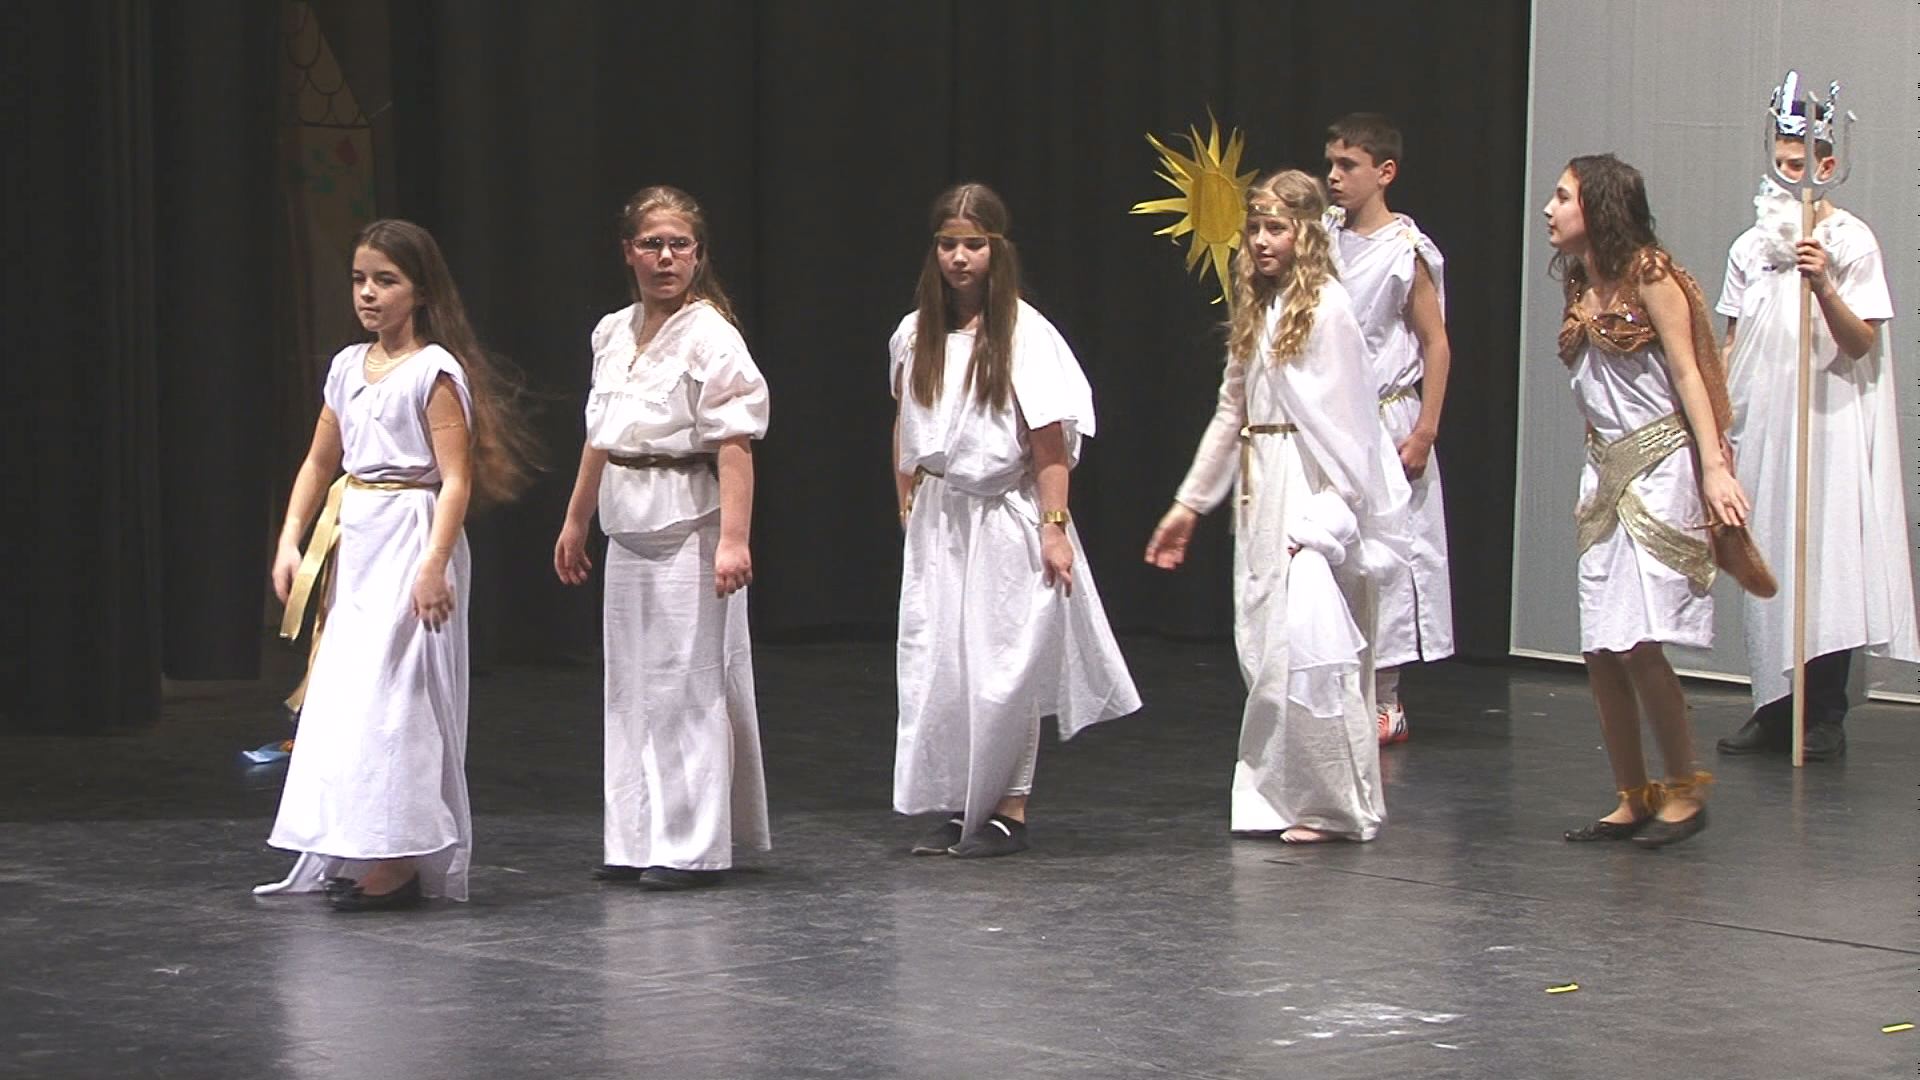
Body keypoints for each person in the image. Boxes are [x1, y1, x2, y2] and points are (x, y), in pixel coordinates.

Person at [259, 219, 535, 910]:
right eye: (360, 279)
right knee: (350, 699)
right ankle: (358, 843)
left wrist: (433, 565)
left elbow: (456, 479)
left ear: (419, 290)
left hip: (412, 536)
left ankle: (401, 858)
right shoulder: (347, 367)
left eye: (386, 280)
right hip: (358, 540)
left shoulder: (433, 372)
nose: (368, 293)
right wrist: (291, 539)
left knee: (399, 699)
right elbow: (319, 462)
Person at [1145, 170, 1406, 843]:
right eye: (1255, 228)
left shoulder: (1328, 309)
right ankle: (1276, 795)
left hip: (1308, 488)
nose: (1261, 241)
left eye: (1276, 229)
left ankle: (1332, 804)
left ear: (1306, 234)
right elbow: (1231, 411)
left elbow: (1352, 428)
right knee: (1263, 648)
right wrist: (1188, 505)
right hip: (1260, 486)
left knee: (1310, 653)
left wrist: (1329, 518)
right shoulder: (1260, 307)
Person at [891, 182, 1141, 858]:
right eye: (948, 244)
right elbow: (905, 423)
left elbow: (1048, 441)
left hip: (1005, 514)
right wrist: (907, 499)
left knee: (1003, 664)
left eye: (973, 244)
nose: (960, 258)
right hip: (942, 517)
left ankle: (1011, 806)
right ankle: (965, 801)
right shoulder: (914, 335)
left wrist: (1053, 526)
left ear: (996, 250)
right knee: (943, 662)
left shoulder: (1026, 334)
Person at [554, 186, 771, 891]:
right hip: (627, 524)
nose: (666, 257)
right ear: (629, 252)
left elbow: (735, 444)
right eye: (652, 244)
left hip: (688, 526)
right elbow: (600, 436)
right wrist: (576, 519)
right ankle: (634, 838)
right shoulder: (612, 332)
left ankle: (689, 847)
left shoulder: (711, 336)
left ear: (698, 255)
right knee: (630, 689)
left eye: (679, 245)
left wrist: (733, 540)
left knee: (686, 685)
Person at [1544, 154, 1749, 848]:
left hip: (1659, 470)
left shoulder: (1650, 275)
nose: (1550, 209)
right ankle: (1633, 795)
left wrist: (1714, 468)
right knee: (1600, 647)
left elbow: (1690, 373)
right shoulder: (1581, 279)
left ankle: (1685, 789)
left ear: (1598, 206)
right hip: (1605, 472)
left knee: (1636, 641)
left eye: (1563, 197)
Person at [1714, 96, 1916, 761]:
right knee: (1766, 550)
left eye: (1798, 165)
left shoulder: (1851, 241)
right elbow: (1732, 340)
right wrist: (1717, 418)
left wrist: (1824, 284)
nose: (1786, 176)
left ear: (1826, 167)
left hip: (1828, 420)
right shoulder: (1750, 247)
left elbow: (1860, 342)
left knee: (1825, 558)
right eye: (1779, 163)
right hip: (1763, 420)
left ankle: (1824, 712)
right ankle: (1774, 706)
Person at [1324, 113, 1456, 745]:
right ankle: (1336, 689)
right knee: (1335, 553)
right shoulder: (1322, 237)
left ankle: (1386, 697)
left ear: (1384, 172)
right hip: (1331, 419)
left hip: (1387, 417)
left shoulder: (1406, 250)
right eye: (1330, 164)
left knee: (1386, 555)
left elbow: (1435, 342)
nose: (1333, 176)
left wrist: (1425, 429)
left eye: (1347, 166)